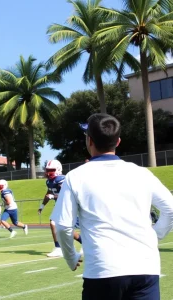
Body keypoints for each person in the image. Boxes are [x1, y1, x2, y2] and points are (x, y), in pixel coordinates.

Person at [51, 113, 173, 300]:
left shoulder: (75, 177)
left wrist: (71, 257)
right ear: (118, 141)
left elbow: (62, 225)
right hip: (146, 267)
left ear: (89, 141)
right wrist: (156, 235)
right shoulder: (142, 174)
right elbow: (170, 209)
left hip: (103, 269)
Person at [38, 160, 82, 257]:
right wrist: (42, 205)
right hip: (60, 205)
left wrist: (53, 197)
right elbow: (48, 193)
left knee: (57, 224)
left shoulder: (62, 179)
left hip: (69, 205)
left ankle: (59, 248)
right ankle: (83, 242)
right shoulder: (49, 181)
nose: (49, 172)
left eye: (52, 170)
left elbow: (66, 195)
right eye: (48, 170)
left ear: (58, 169)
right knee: (62, 227)